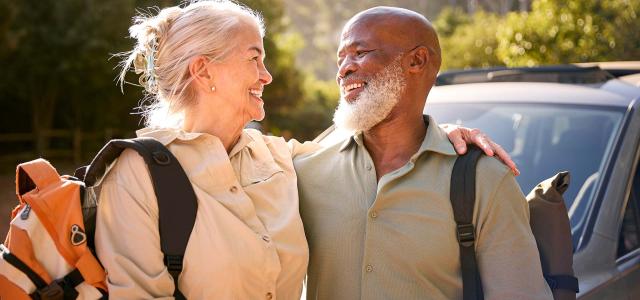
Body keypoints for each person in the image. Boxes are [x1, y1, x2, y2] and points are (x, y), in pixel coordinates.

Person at [96, 1, 516, 299]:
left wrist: (440, 133)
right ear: (204, 70)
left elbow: (385, 134)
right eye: (254, 58)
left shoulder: (279, 159)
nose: (268, 75)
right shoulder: (135, 176)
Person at [294, 6, 553, 300]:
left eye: (360, 53)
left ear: (417, 60)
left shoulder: (486, 181)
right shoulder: (303, 171)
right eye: (341, 58)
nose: (343, 70)